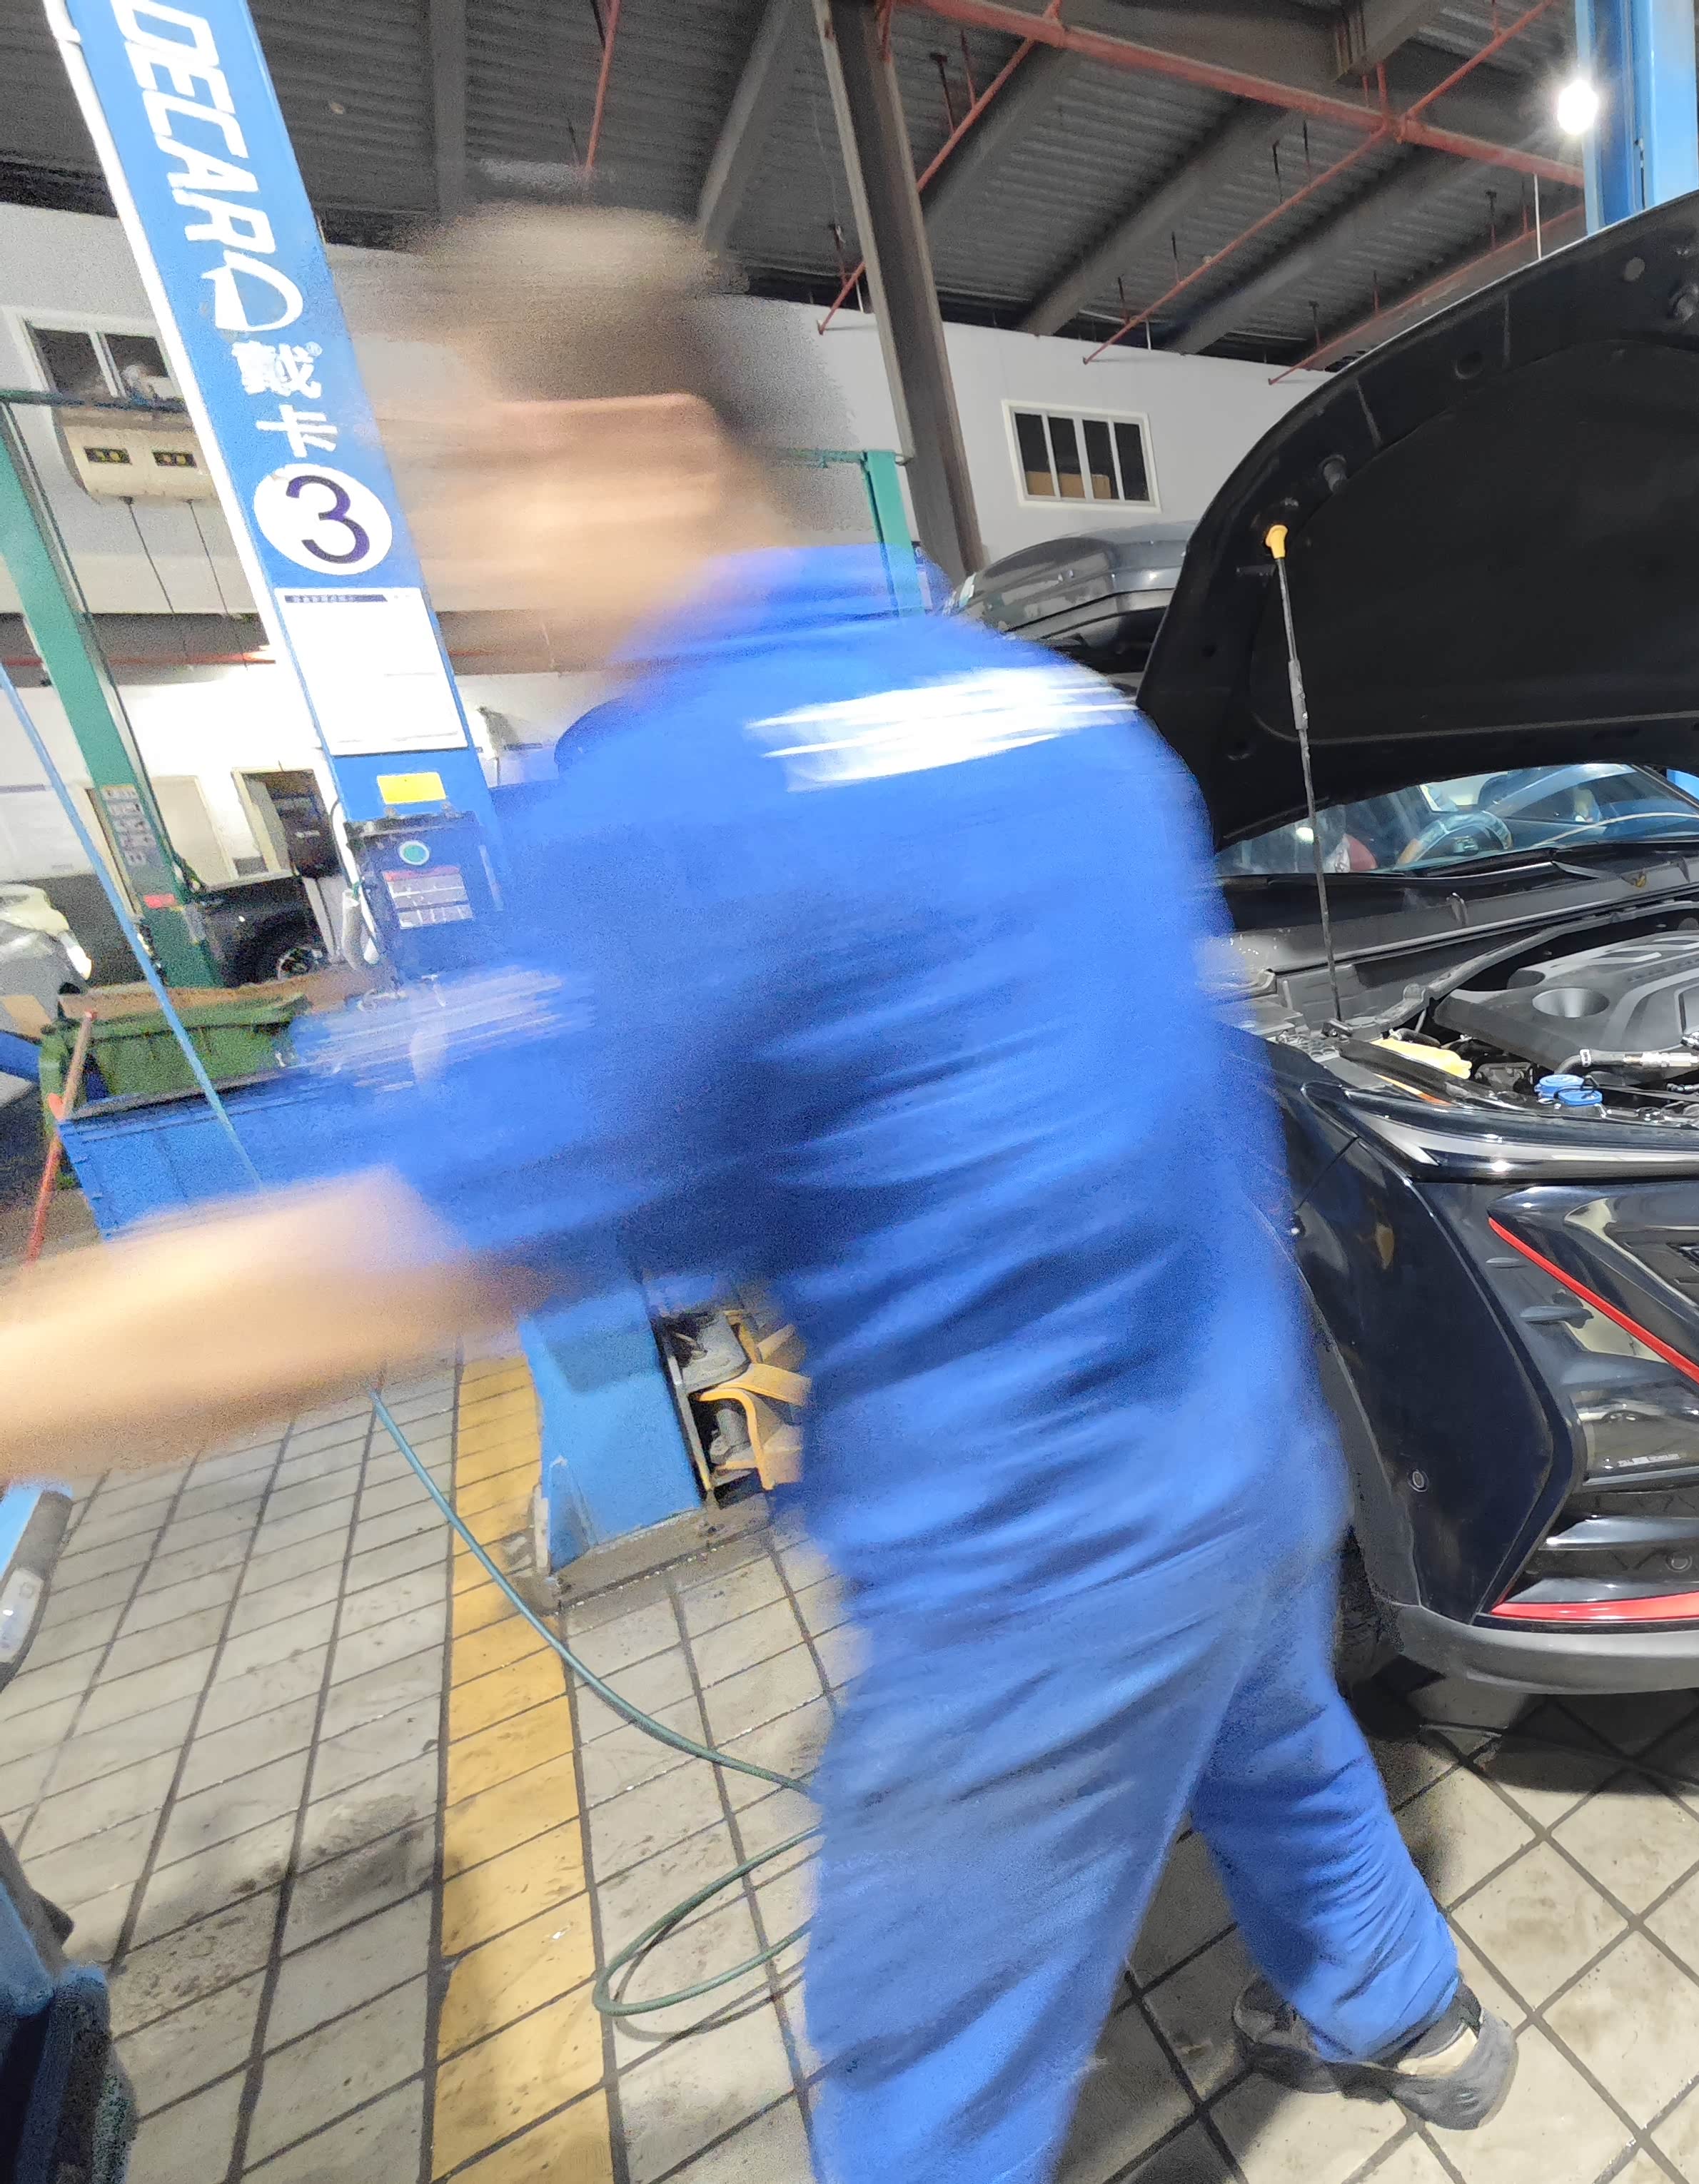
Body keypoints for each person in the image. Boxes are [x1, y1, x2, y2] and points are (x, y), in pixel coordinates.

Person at [0, 206, 1512, 2178]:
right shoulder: (1059, 717)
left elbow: (366, 1270)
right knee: (1274, 1741)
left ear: (638, 449)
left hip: (1025, 1584)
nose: (452, 548)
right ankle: (1406, 2009)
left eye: (474, 474)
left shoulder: (687, 791)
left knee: (928, 2061)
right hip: (1246, 1463)